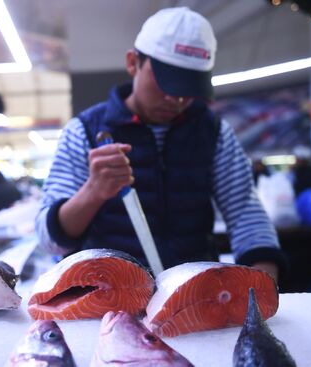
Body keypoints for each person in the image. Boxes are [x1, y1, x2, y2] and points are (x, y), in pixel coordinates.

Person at [35, 7, 286, 281]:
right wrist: (93, 192)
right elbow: (51, 241)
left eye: (189, 88)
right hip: (106, 297)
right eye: (167, 84)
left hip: (194, 296)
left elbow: (246, 215)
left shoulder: (213, 132)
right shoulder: (84, 130)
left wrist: (263, 288)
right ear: (133, 63)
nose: (177, 99)